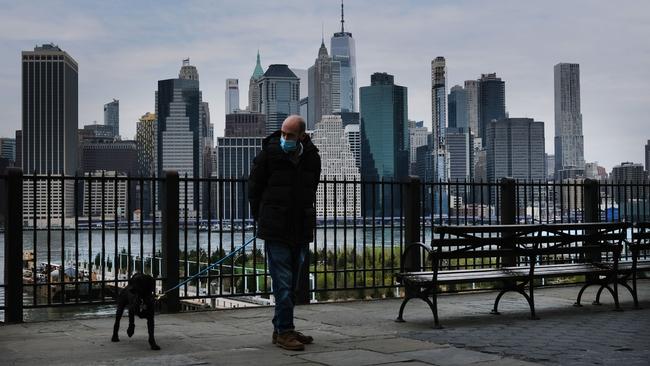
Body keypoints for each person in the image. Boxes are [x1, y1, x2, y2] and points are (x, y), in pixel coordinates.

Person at [248, 115, 321, 351]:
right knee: (283, 282)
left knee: (293, 283)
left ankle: (281, 327)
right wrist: (262, 218)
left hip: (300, 228)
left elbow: (311, 189)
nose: (285, 138)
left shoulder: (312, 157)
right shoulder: (269, 154)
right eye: (283, 133)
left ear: (302, 135)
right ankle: (285, 331)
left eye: (290, 135)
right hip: (275, 228)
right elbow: (254, 188)